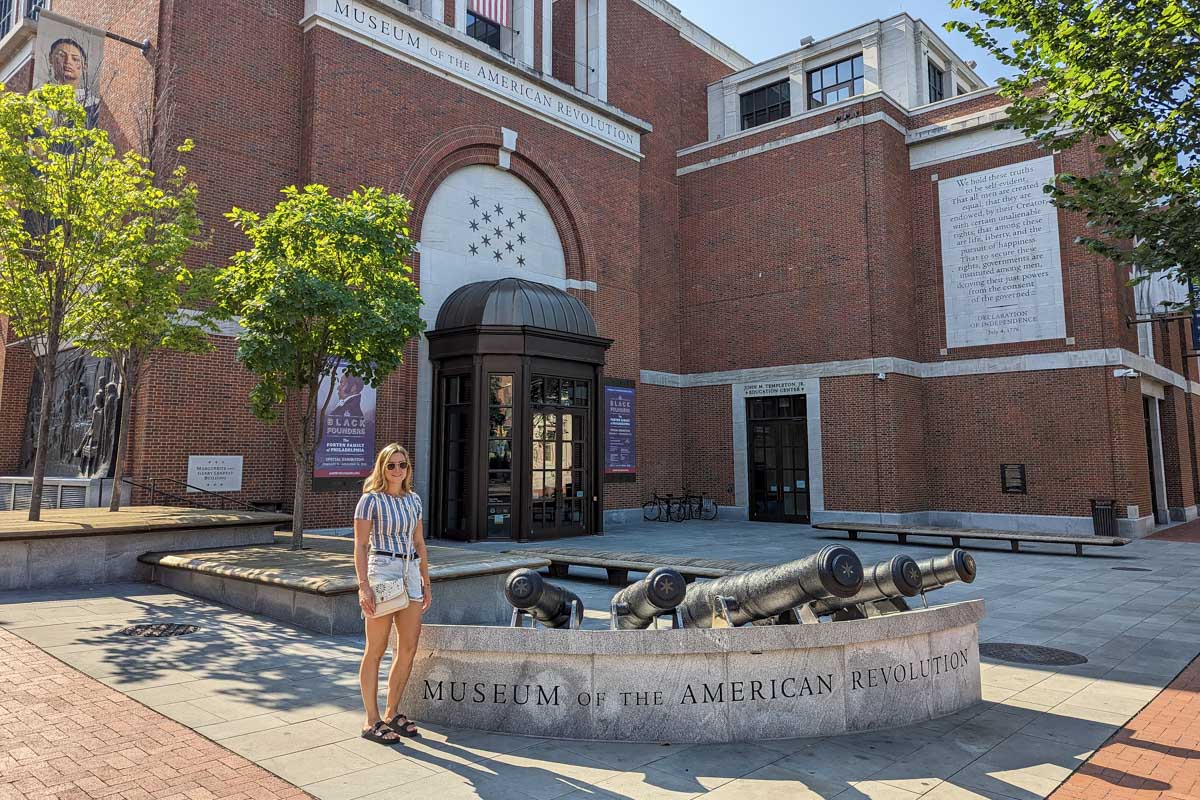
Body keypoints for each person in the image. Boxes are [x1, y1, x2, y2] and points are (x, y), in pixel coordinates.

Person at [353, 443, 432, 745]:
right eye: (391, 465)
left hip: (410, 570)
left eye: (403, 465)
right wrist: (363, 586)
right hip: (383, 569)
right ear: (381, 468)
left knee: (408, 647)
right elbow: (360, 545)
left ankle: (391, 713)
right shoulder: (369, 501)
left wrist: (425, 579)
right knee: (376, 648)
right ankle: (370, 720)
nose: (398, 470)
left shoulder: (413, 500)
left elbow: (420, 542)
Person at [47, 38, 99, 128]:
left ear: (85, 66)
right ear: (50, 59)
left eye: (75, 59)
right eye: (61, 56)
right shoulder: (39, 101)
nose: (68, 61)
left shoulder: (93, 104)